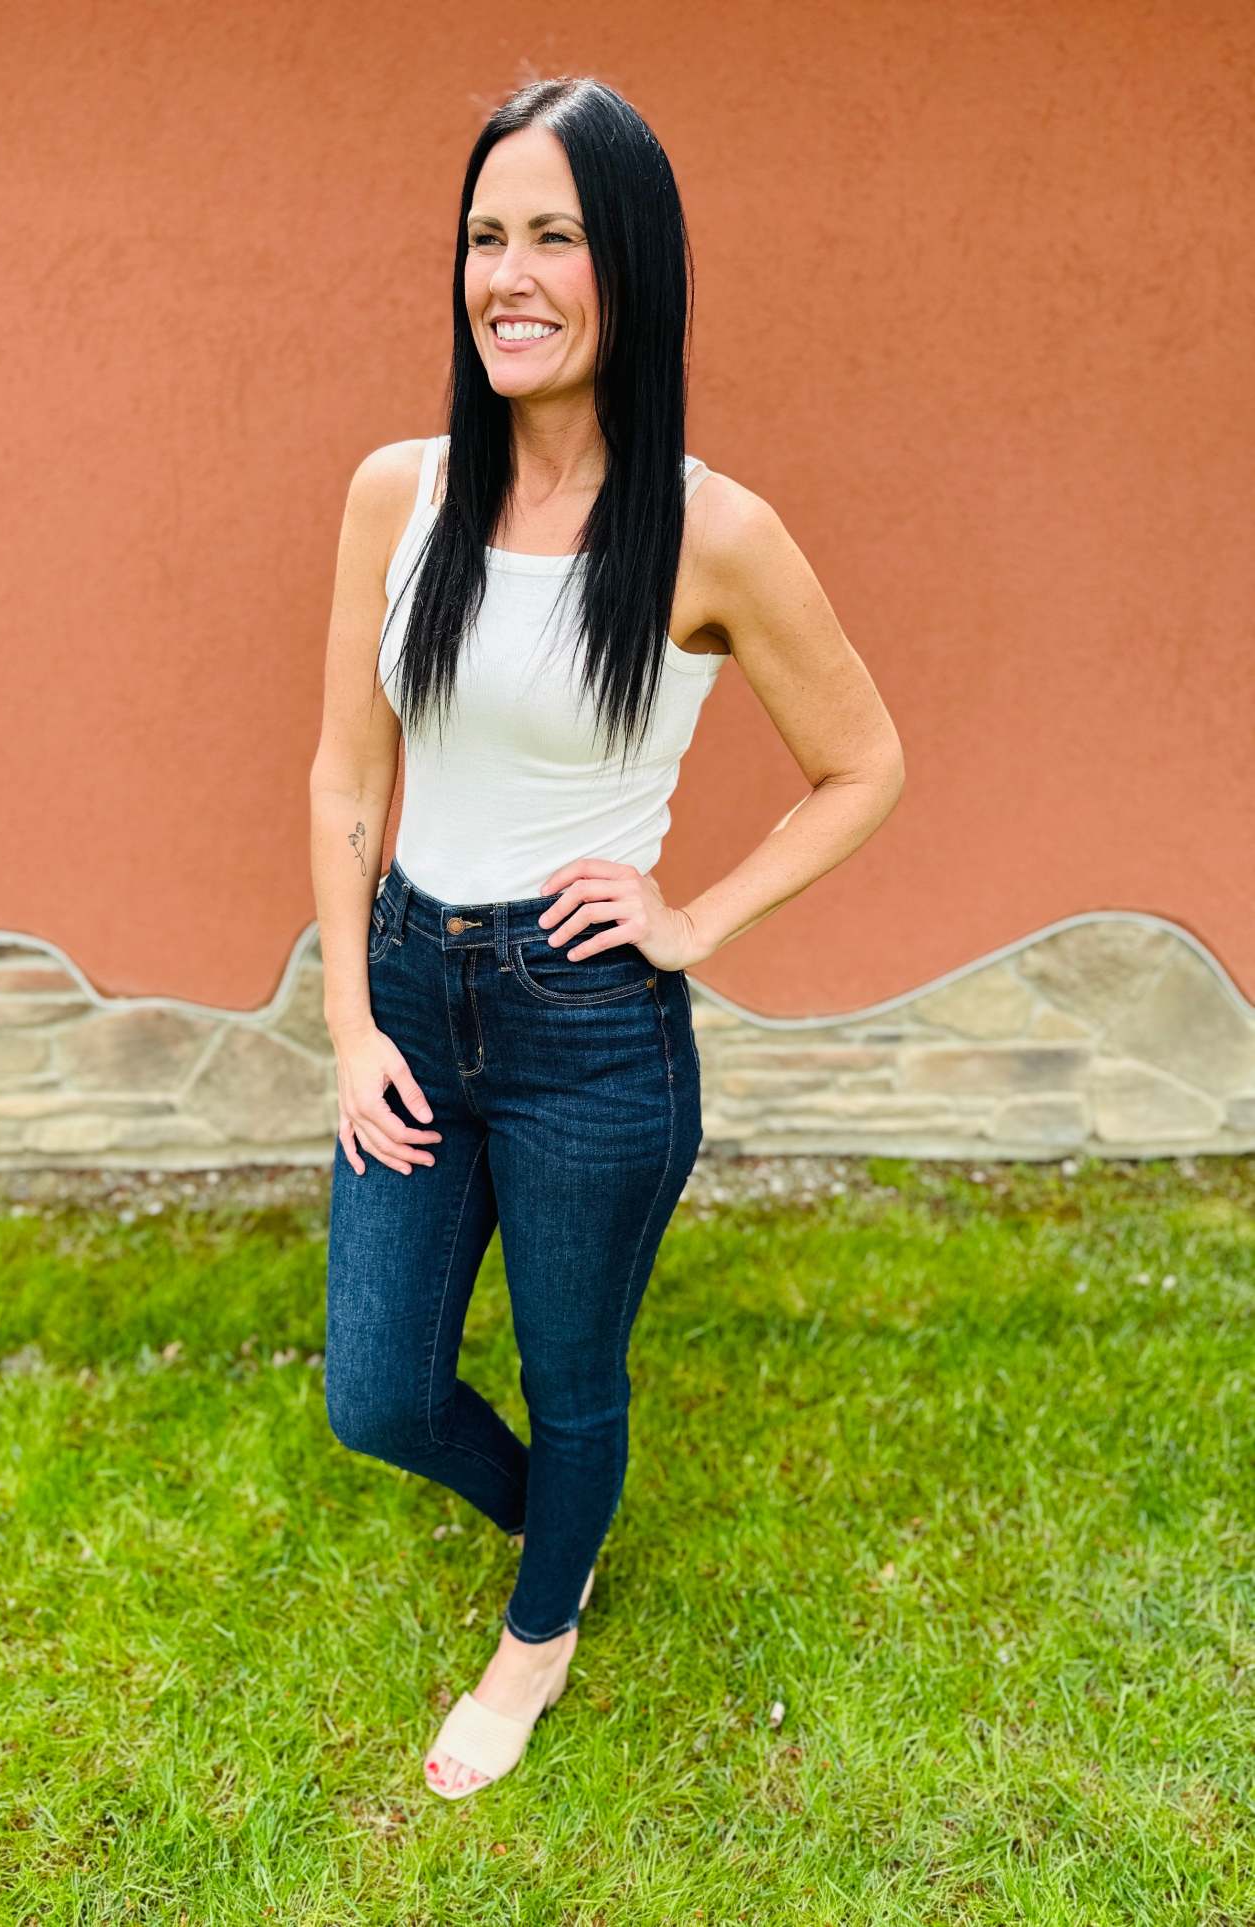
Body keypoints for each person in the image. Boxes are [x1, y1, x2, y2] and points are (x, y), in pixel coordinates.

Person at [309, 75, 904, 1801]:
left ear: (627, 268)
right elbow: (349, 772)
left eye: (553, 237)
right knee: (377, 1394)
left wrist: (694, 915)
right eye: (484, 237)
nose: (507, 275)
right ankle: (563, 1523)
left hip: (586, 1024)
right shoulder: (396, 495)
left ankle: (538, 1632)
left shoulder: (713, 531)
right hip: (411, 985)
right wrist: (349, 1017)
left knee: (573, 1375)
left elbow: (863, 763)